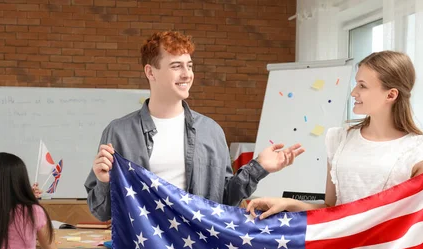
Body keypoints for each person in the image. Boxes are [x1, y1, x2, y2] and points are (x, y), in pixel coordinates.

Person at [85, 31, 304, 221]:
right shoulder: (119, 132)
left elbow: (225, 200)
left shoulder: (210, 131)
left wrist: (259, 167)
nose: (187, 74)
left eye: (189, 65)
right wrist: (105, 182)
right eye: (176, 66)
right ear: (150, 72)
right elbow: (101, 212)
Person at [247, 51, 423, 218]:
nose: (353, 93)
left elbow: (420, 224)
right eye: (356, 84)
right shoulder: (339, 139)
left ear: (391, 95)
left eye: (362, 86)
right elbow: (331, 209)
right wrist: (287, 204)